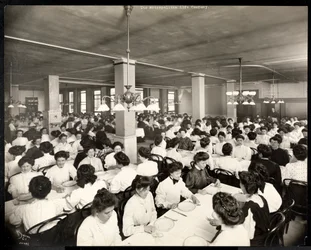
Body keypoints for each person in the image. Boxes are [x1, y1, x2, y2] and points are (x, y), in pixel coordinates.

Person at [235, 171, 269, 246]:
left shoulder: (249, 207)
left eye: (240, 182)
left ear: (243, 186)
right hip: (263, 231)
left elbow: (248, 234)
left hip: (255, 240)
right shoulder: (261, 197)